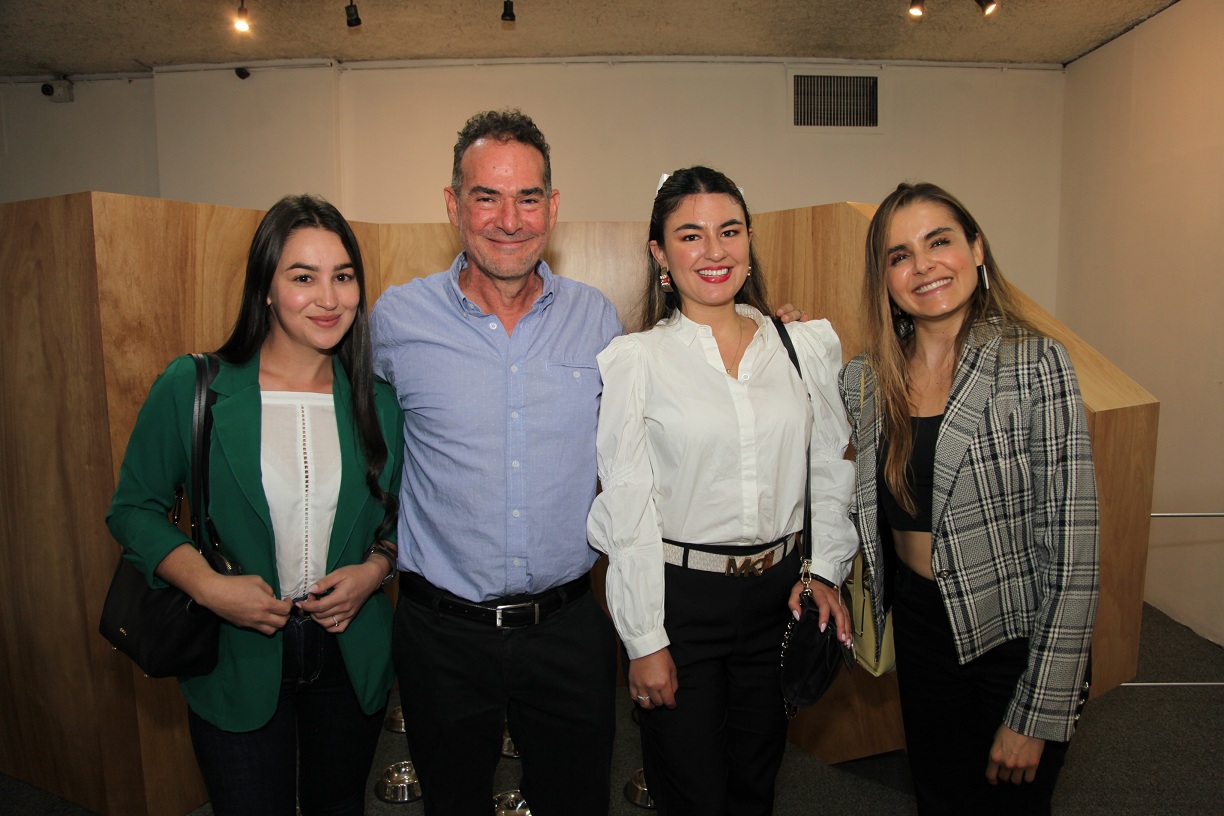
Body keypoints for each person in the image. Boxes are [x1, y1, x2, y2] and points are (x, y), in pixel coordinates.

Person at [107, 194, 403, 816]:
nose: (329, 298)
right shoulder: (195, 388)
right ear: (265, 289)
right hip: (235, 655)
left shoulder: (378, 403)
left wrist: (373, 573)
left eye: (343, 276)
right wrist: (211, 588)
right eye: (303, 277)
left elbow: (399, 520)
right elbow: (133, 508)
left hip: (349, 652)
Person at [370, 109, 622, 816]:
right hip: (440, 636)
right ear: (454, 205)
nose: (509, 219)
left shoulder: (598, 320)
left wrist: (759, 327)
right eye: (487, 196)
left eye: (528, 197)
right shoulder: (395, 322)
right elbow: (345, 430)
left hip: (568, 630)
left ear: (553, 206)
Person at [586, 166, 859, 816]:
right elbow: (627, 507)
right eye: (690, 235)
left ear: (749, 239)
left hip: (779, 596)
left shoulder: (801, 347)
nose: (714, 251)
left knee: (754, 787)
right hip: (681, 605)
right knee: (693, 796)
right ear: (660, 254)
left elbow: (828, 466)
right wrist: (645, 639)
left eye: (729, 231)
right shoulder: (638, 360)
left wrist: (825, 571)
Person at [840, 182, 1099, 816]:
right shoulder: (869, 380)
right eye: (900, 255)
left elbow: (1074, 556)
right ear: (885, 277)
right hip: (922, 627)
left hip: (1012, 635)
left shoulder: (1035, 364)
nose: (923, 265)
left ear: (977, 249)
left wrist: (1037, 712)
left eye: (939, 242)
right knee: (939, 796)